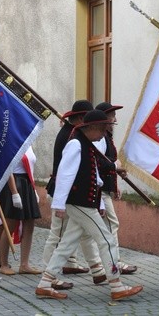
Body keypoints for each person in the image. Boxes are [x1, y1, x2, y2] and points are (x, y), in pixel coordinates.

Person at [35, 110, 143, 301]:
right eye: (102, 128)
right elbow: (65, 175)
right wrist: (58, 204)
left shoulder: (86, 144)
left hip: (85, 202)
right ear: (91, 127)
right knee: (106, 240)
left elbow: (95, 177)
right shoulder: (75, 144)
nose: (104, 132)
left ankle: (45, 282)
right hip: (78, 202)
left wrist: (99, 201)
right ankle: (116, 285)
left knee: (67, 244)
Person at [43, 100, 106, 290]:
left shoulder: (75, 134)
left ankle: (97, 269)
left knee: (81, 233)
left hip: (75, 196)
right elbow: (66, 174)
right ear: (80, 119)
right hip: (65, 194)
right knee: (58, 235)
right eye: (86, 119)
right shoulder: (72, 137)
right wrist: (60, 203)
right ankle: (49, 274)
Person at [94, 102, 137, 275]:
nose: (115, 119)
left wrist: (116, 182)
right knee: (112, 225)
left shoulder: (106, 137)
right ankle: (115, 262)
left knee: (78, 233)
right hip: (99, 191)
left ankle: (75, 262)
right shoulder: (101, 139)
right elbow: (100, 165)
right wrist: (116, 168)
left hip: (104, 189)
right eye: (112, 115)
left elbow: (110, 164)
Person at [0, 146, 42, 276]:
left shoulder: (29, 142)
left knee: (29, 225)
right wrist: (14, 193)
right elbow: (7, 168)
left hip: (27, 183)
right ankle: (4, 263)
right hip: (14, 184)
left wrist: (33, 189)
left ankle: (24, 264)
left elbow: (31, 167)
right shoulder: (12, 141)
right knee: (10, 224)